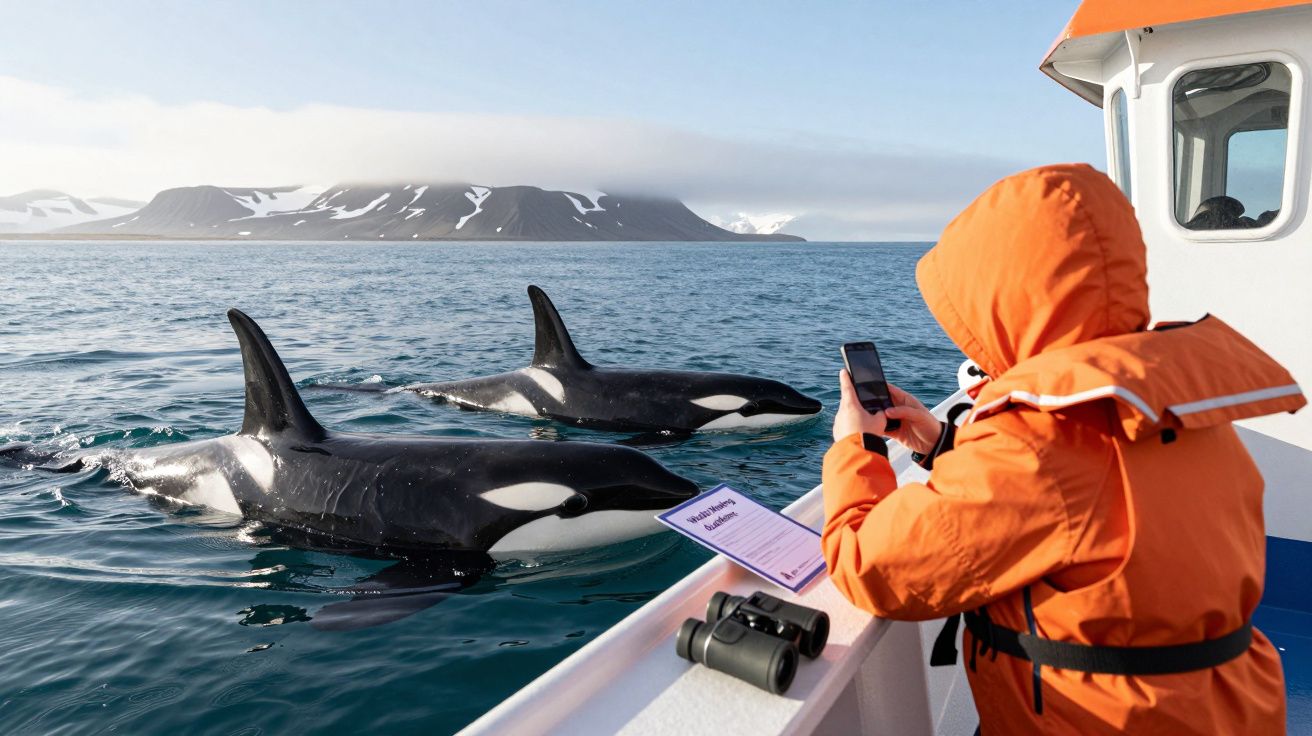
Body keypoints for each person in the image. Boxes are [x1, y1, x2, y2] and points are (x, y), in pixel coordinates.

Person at [821, 164, 1303, 734]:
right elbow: (1086, 502)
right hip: (1218, 708)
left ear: (1006, 298)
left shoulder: (1038, 443)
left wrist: (855, 446)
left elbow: (869, 566)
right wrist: (942, 441)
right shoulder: (1169, 400)